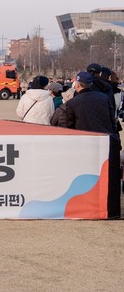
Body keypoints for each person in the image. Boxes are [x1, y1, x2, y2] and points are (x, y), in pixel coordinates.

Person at [51, 71, 121, 219]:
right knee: (108, 179)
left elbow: (68, 126)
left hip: (85, 144)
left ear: (77, 85)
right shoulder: (103, 98)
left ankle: (86, 207)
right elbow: (112, 120)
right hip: (107, 141)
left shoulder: (73, 103)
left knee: (86, 179)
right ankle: (110, 210)